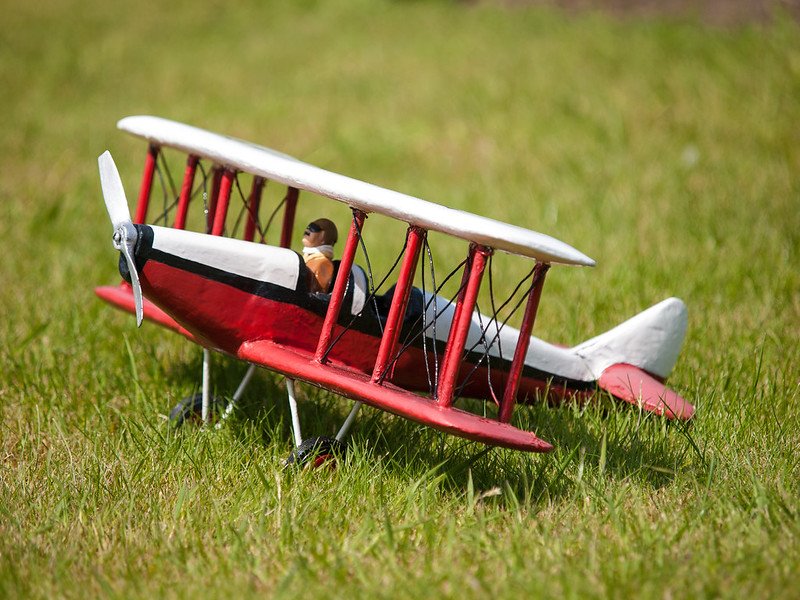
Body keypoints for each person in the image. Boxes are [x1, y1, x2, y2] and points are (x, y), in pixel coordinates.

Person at [302, 218, 338, 293]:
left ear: (323, 236)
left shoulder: (323, 263)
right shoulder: (307, 258)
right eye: (309, 226)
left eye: (313, 228)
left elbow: (316, 293)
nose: (308, 229)